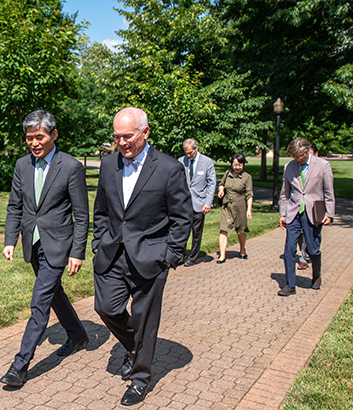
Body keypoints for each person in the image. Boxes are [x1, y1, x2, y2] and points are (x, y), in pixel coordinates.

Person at [91, 107, 191, 406]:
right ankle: (135, 347)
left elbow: (182, 218)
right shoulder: (108, 165)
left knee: (144, 319)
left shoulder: (169, 168)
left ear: (145, 133)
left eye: (128, 136)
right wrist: (98, 241)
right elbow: (102, 210)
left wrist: (170, 255)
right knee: (106, 308)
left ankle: (140, 378)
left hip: (151, 257)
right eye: (117, 137)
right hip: (112, 253)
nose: (121, 143)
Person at [0, 110, 89, 387]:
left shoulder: (71, 166)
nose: (34, 143)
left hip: (59, 244)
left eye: (39, 137)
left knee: (39, 303)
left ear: (53, 135)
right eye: (29, 138)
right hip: (33, 243)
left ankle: (20, 365)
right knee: (53, 293)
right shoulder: (22, 165)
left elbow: (81, 214)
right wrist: (10, 240)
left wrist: (77, 251)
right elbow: (15, 205)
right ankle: (76, 333)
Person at [278, 137, 335, 296]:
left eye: (300, 156)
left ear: (307, 151)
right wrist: (282, 214)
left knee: (312, 249)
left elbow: (329, 192)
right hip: (293, 212)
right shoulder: (289, 167)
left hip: (313, 212)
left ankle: (316, 275)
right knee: (289, 249)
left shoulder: (322, 165)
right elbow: (285, 193)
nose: (297, 159)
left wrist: (329, 213)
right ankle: (290, 284)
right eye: (294, 156)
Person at [178, 139, 216, 267]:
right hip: (184, 203)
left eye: (190, 153)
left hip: (199, 203)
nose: (188, 155)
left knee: (196, 233)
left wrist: (208, 202)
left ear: (196, 148)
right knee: (182, 231)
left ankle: (192, 257)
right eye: (186, 153)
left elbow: (211, 183)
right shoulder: (181, 161)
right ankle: (179, 255)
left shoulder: (207, 162)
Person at [215, 153, 253, 263]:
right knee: (223, 230)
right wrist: (221, 190)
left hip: (240, 207)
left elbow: (249, 195)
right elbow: (221, 184)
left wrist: (249, 210)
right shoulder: (227, 173)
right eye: (235, 164)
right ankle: (222, 255)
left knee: (240, 231)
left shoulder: (247, 177)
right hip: (227, 206)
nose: (237, 167)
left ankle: (242, 249)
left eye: (240, 165)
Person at [297, 142, 319, 270]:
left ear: (315, 154)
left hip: (313, 207)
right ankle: (306, 253)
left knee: (310, 234)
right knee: (300, 233)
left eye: (310, 153)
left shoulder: (321, 167)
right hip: (299, 206)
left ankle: (305, 257)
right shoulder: (297, 167)